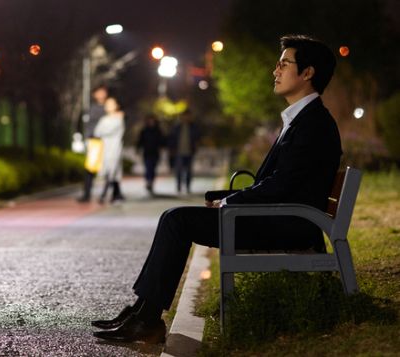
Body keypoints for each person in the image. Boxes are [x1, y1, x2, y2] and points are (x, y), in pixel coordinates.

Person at [92, 34, 341, 343]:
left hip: (288, 225)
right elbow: (279, 183)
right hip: (279, 217)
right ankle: (141, 312)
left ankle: (146, 318)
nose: (275, 71)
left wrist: (232, 202)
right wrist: (226, 198)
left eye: (284, 64)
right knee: (175, 217)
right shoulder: (302, 118)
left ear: (308, 73)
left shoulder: (313, 123)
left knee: (176, 220)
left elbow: (283, 184)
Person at [78, 86, 109, 203]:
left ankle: (106, 194)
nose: (100, 94)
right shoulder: (91, 108)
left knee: (107, 169)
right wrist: (86, 139)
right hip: (93, 141)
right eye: (98, 92)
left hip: (105, 141)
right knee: (89, 168)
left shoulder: (109, 107)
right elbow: (87, 125)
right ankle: (86, 194)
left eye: (103, 92)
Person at [94, 97, 126, 204]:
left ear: (116, 105)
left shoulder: (119, 118)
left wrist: (103, 131)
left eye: (111, 104)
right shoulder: (104, 119)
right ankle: (117, 194)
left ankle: (104, 194)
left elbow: (106, 131)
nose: (108, 106)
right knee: (110, 172)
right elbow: (97, 131)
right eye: (107, 104)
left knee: (112, 171)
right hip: (105, 149)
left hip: (115, 148)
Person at [168, 110, 199, 194]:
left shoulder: (193, 127)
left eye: (188, 116)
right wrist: (172, 149)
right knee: (179, 170)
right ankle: (178, 185)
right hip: (179, 152)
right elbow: (172, 138)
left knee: (189, 170)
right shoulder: (177, 127)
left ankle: (188, 186)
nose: (186, 118)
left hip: (189, 152)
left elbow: (197, 138)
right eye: (185, 116)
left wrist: (195, 147)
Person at [137, 115, 165, 194]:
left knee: (153, 168)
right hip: (147, 152)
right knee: (147, 167)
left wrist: (162, 147)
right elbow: (140, 141)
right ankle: (148, 181)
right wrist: (138, 148)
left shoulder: (158, 131)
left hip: (155, 153)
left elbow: (162, 141)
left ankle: (151, 182)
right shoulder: (144, 130)